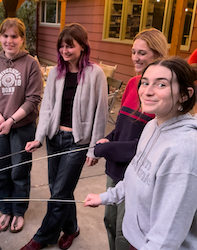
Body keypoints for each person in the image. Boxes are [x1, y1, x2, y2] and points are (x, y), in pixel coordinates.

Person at [85, 56, 197, 249]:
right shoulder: (152, 125)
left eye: (161, 85)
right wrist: (106, 197)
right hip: (135, 239)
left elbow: (167, 235)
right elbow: (136, 174)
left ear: (185, 95)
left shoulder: (184, 150)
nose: (147, 91)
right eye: (145, 83)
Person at [20, 23, 108, 250]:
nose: (65, 51)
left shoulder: (95, 73)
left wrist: (93, 149)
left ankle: (42, 238)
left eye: (70, 46)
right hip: (54, 138)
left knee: (58, 193)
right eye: (61, 46)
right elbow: (47, 108)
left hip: (77, 142)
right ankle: (71, 229)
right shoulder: (56, 73)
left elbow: (101, 112)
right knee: (59, 189)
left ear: (82, 47)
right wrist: (39, 138)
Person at [93, 28, 167, 250]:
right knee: (109, 220)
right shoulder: (133, 83)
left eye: (142, 53)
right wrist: (108, 139)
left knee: (125, 232)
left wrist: (108, 149)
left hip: (138, 175)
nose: (135, 57)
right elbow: (121, 128)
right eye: (134, 51)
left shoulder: (163, 96)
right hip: (115, 168)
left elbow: (148, 146)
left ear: (158, 55)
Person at [0, 17, 43, 233]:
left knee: (19, 171)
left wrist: (11, 120)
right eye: (5, 36)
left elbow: (33, 98)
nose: (9, 40)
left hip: (22, 127)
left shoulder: (31, 64)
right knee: (0, 171)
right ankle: (5, 210)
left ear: (22, 39)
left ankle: (18, 211)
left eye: (14, 36)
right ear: (0, 38)